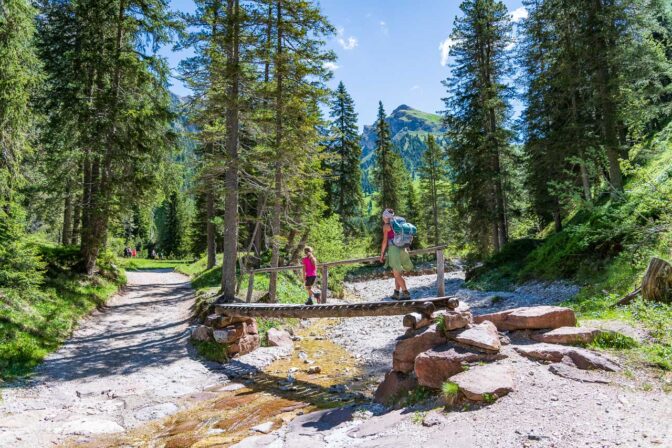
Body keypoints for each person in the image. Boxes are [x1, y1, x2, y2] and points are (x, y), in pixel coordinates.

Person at [379, 208, 413, 300]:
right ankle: (396, 293)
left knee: (396, 274)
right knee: (397, 273)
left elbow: (385, 241)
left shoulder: (386, 226)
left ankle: (406, 293)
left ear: (385, 217)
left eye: (383, 216)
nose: (382, 218)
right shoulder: (399, 223)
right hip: (403, 249)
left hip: (394, 250)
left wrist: (382, 254)